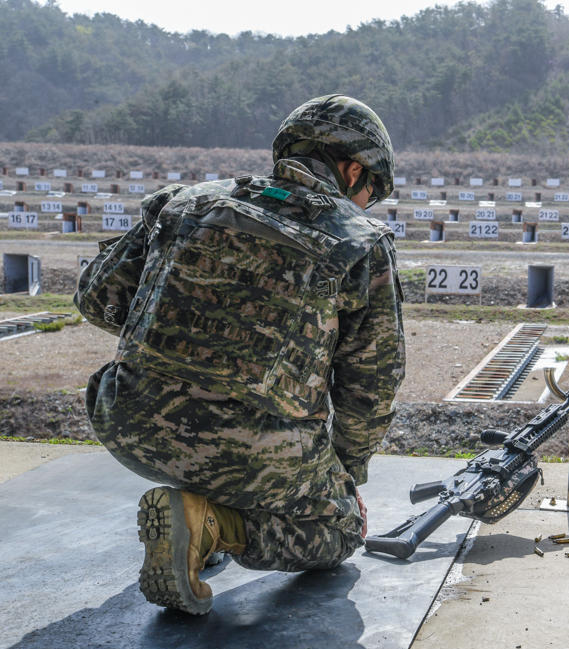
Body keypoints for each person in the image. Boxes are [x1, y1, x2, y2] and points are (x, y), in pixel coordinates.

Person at [75, 94, 405, 614]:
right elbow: (373, 380)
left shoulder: (184, 202)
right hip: (254, 450)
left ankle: (194, 511)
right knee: (341, 527)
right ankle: (213, 526)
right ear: (352, 167)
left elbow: (96, 299)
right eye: (370, 191)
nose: (365, 205)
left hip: (128, 422)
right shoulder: (360, 241)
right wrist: (345, 472)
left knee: (223, 452)